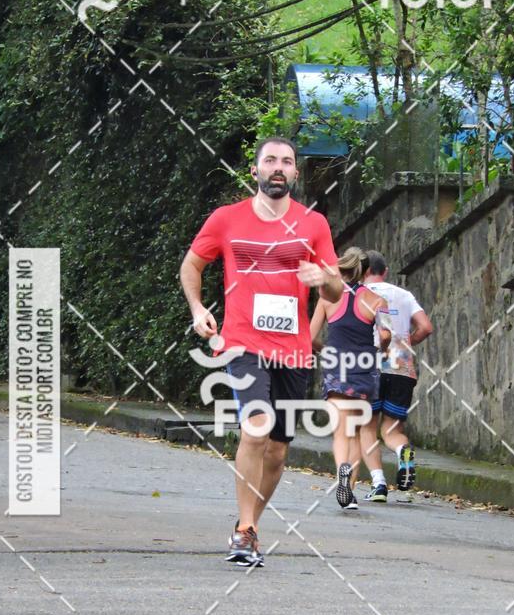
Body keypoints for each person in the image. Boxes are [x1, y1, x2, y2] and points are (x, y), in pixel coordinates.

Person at [180, 136, 343, 567]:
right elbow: (192, 264)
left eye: (286, 162)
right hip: (243, 343)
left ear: (294, 173)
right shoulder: (226, 219)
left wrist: (320, 278)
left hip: (292, 349)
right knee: (255, 429)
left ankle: (248, 522)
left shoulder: (314, 225)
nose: (277, 167)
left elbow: (337, 288)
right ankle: (245, 532)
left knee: (278, 450)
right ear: (254, 171)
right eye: (269, 160)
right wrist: (198, 309)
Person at [310, 247, 391, 510]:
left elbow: (310, 338)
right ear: (367, 272)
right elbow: (386, 334)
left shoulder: (326, 299)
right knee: (356, 431)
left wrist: (328, 351)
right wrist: (381, 350)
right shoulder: (377, 301)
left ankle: (342, 473)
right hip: (364, 372)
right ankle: (351, 492)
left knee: (340, 432)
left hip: (336, 370)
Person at [360, 250, 433, 501]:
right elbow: (426, 327)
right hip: (401, 366)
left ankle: (378, 484)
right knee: (391, 430)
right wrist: (404, 344)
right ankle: (403, 451)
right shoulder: (404, 295)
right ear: (385, 271)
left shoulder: (358, 294)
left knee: (367, 427)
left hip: (370, 364)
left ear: (363, 270)